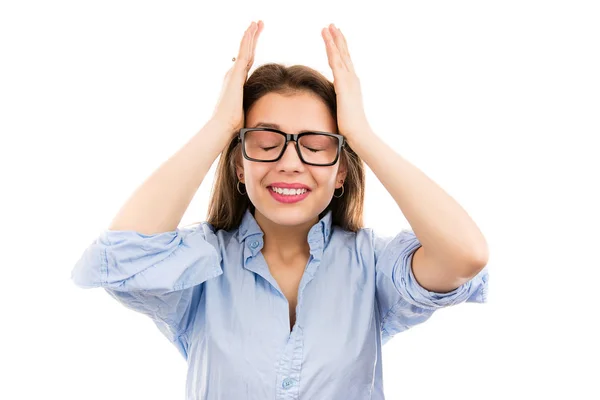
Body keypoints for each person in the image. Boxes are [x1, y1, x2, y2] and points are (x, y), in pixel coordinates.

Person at [71, 20, 490, 400]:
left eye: (316, 145)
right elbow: (121, 258)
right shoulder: (201, 263)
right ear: (239, 164)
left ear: (342, 170)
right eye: (266, 142)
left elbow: (465, 255)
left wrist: (361, 134)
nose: (290, 162)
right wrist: (220, 126)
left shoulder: (373, 265)